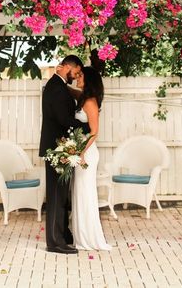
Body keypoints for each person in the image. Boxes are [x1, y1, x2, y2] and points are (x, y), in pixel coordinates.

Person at [38, 55, 87, 254]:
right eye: (74, 73)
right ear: (67, 67)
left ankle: (63, 235)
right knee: (57, 196)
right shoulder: (56, 87)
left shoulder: (58, 85)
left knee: (62, 196)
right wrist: (87, 126)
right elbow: (64, 120)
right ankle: (54, 242)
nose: (75, 77)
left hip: (61, 148)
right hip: (56, 149)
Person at [71, 66, 112, 251]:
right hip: (82, 151)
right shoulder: (83, 99)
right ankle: (81, 236)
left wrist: (80, 151)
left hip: (87, 152)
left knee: (85, 193)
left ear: (89, 80)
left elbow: (94, 132)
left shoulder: (90, 102)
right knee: (79, 193)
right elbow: (70, 89)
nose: (77, 78)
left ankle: (88, 238)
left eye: (80, 76)